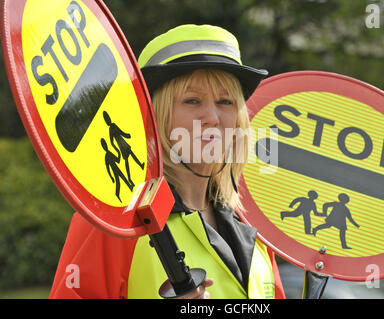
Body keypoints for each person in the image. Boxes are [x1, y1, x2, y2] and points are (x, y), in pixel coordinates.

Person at [49, 24, 285, 299]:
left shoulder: (254, 227)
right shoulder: (114, 221)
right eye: (192, 100)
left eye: (225, 101)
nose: (212, 117)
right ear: (156, 115)